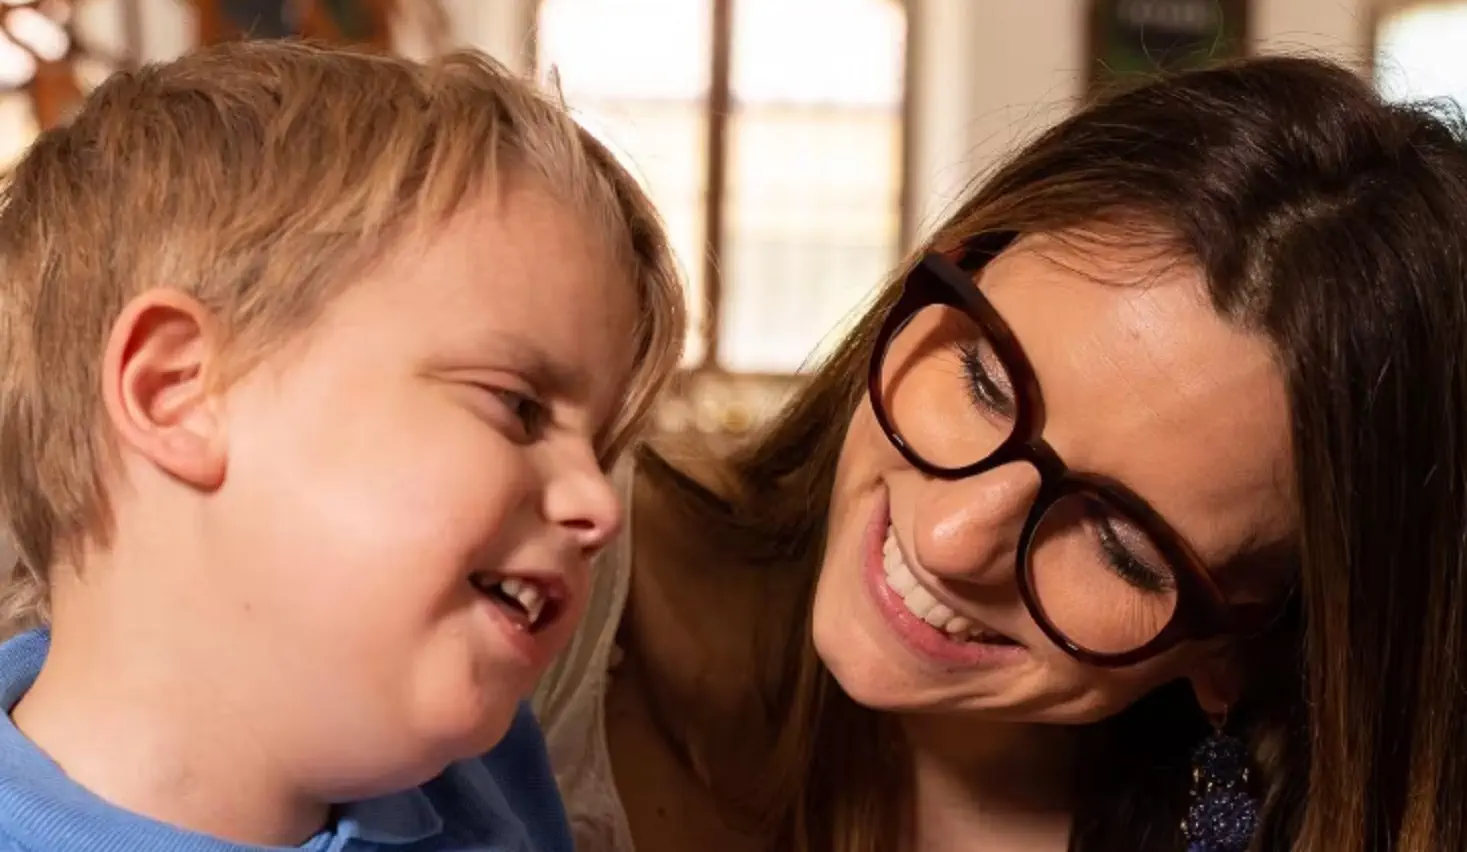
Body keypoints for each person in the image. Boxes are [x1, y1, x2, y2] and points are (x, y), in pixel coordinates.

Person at [534, 55, 1467, 852]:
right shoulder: (534, 569)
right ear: (945, 265)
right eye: (984, 385)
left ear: (1243, 646)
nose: (948, 535)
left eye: (1117, 544)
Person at [0, 39, 684, 852]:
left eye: (597, 450)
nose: (600, 504)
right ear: (177, 391)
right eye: (519, 409)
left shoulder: (491, 776)